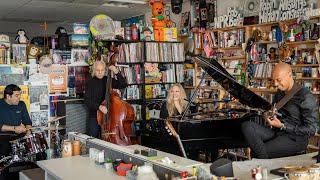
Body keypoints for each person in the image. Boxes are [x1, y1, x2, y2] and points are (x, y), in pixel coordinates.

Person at [241, 63, 319, 159]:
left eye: (279, 80)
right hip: (277, 131)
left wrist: (283, 126)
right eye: (273, 80)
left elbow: (311, 130)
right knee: (247, 126)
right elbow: (275, 111)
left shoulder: (306, 97)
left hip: (295, 138)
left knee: (258, 152)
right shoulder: (280, 93)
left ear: (290, 75)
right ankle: (262, 158)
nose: (276, 84)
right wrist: (268, 115)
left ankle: (260, 159)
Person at [84, 57, 127, 138]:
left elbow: (123, 85)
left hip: (110, 115)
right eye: (97, 70)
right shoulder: (90, 82)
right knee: (92, 137)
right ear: (94, 71)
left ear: (105, 70)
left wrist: (116, 72)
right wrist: (99, 107)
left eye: (102, 70)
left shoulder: (108, 80)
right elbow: (86, 101)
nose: (100, 72)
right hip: (94, 116)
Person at [0, 84, 32, 157]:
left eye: (19, 95)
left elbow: (27, 121)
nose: (19, 98)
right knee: (4, 149)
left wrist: (28, 132)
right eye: (16, 96)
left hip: (18, 135)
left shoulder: (21, 104)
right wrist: (14, 128)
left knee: (38, 151)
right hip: (3, 136)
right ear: (8, 96)